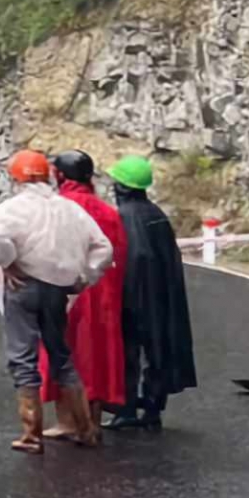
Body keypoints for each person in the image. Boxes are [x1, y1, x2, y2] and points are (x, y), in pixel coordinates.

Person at [0, 150, 115, 454]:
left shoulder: (11, 209)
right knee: (61, 355)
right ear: (48, 175)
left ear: (16, 177)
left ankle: (31, 435)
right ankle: (86, 430)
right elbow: (102, 248)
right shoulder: (69, 209)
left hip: (23, 286)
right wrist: (84, 278)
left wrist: (8, 262)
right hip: (58, 290)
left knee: (22, 357)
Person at [38, 150, 128, 442]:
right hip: (104, 295)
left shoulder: (58, 208)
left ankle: (68, 421)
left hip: (67, 293)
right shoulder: (108, 212)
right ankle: (93, 419)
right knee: (99, 356)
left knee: (64, 353)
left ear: (60, 175)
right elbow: (120, 255)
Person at [103, 155, 197, 430]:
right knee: (158, 350)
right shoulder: (156, 214)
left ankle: (127, 409)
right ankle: (154, 408)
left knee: (128, 352)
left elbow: (132, 259)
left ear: (122, 187)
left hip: (134, 297)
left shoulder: (124, 217)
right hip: (162, 296)